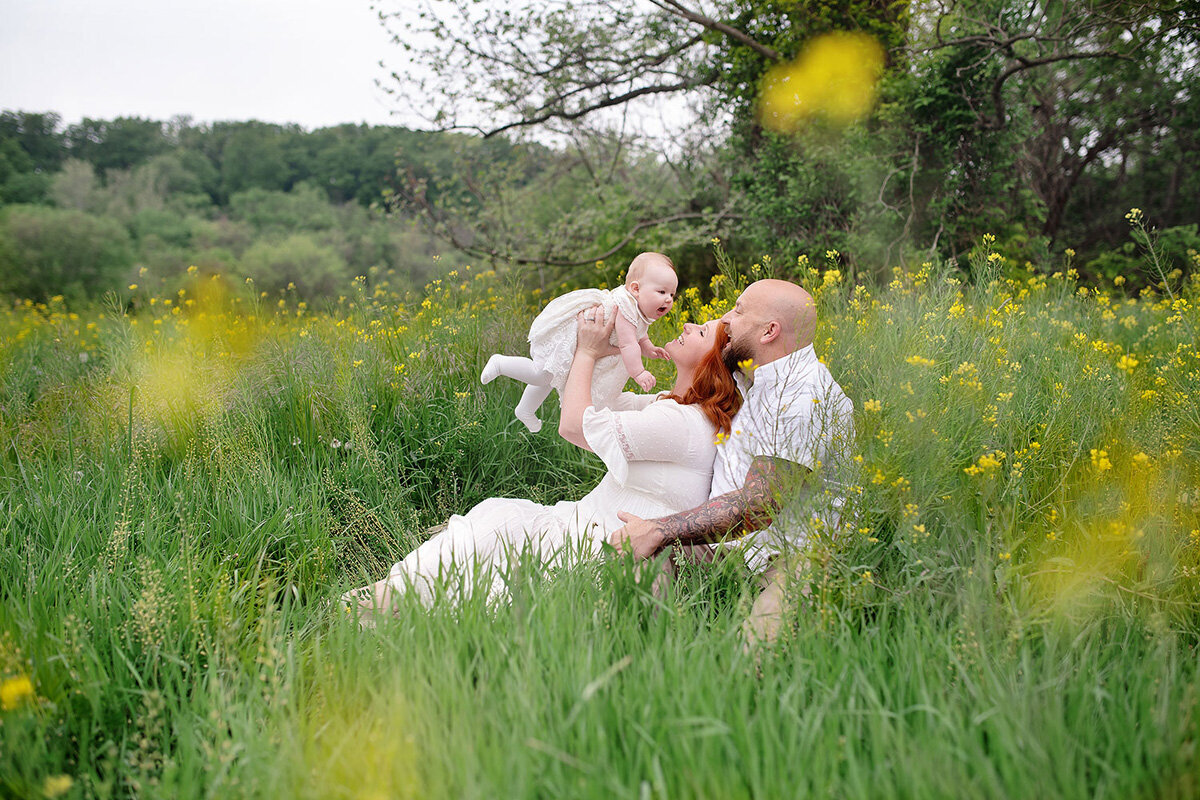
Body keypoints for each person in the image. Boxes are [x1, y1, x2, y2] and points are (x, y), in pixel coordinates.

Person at [342, 308, 740, 624]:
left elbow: (574, 425)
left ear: (713, 364)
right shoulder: (670, 406)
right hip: (583, 527)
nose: (688, 323)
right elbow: (599, 402)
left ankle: (380, 611)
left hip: (602, 547)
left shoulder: (681, 423)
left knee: (495, 547)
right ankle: (382, 604)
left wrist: (585, 352)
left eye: (703, 332)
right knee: (492, 527)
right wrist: (613, 345)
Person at [608, 279, 855, 647]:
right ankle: (654, 663)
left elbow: (758, 506)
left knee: (754, 654)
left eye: (738, 311)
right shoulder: (751, 374)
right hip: (735, 547)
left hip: (793, 554)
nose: (726, 319)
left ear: (770, 331)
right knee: (641, 562)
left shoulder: (803, 398)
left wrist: (658, 528)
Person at [481, 252, 677, 432]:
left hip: (582, 341)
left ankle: (525, 410)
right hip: (571, 336)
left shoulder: (639, 310)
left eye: (671, 294)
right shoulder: (625, 306)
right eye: (662, 292)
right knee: (541, 374)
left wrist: (649, 348)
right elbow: (628, 344)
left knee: (551, 375)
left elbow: (639, 335)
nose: (668, 299)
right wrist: (639, 372)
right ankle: (500, 363)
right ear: (636, 288)